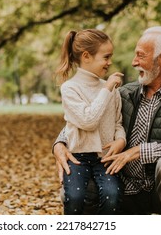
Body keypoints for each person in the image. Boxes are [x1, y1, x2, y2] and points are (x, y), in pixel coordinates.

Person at [53, 26, 161, 215]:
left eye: (140, 56)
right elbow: (86, 118)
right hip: (125, 185)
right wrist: (59, 143)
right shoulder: (123, 93)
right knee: (72, 193)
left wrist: (142, 151)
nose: (133, 62)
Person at [55, 29, 126, 215]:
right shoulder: (70, 88)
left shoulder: (112, 90)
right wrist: (107, 88)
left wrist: (121, 140)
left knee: (113, 195)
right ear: (86, 56)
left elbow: (118, 122)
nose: (110, 62)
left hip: (105, 158)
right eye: (106, 57)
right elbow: (88, 121)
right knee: (76, 198)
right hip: (78, 157)